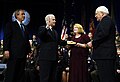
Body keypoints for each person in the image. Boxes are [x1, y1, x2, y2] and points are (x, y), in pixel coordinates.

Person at [87, 6, 117, 82]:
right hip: (105, 55)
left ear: (102, 13)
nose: (95, 16)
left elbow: (103, 34)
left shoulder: (106, 20)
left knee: (106, 78)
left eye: (96, 14)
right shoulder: (107, 21)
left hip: (105, 55)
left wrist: (93, 42)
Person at [3, 9, 31, 82]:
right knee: (11, 73)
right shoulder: (11, 25)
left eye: (24, 14)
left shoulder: (25, 27)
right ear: (17, 15)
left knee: (21, 74)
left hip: (23, 55)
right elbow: (7, 38)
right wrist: (6, 49)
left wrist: (29, 51)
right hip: (13, 54)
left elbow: (26, 41)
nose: (24, 16)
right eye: (22, 14)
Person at [37, 14, 58, 82]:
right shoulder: (42, 28)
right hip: (45, 58)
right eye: (53, 20)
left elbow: (59, 41)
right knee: (45, 78)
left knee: (52, 78)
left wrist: (70, 42)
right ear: (48, 21)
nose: (55, 21)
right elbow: (41, 35)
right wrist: (47, 27)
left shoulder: (55, 32)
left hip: (54, 58)